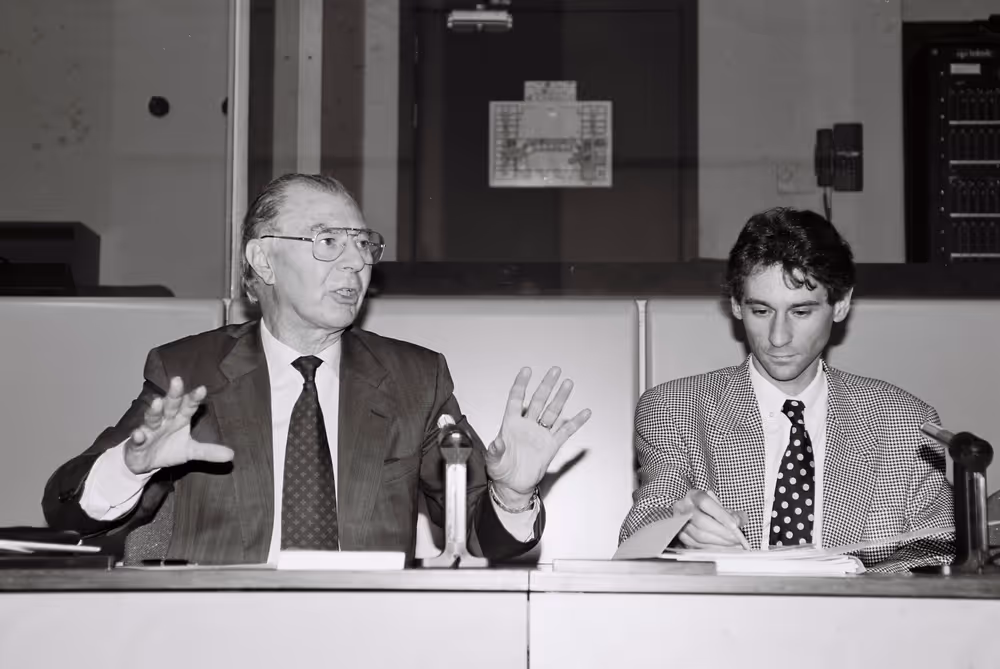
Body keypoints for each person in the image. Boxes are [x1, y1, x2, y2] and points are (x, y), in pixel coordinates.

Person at [43, 173, 591, 565]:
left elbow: (480, 538)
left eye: (363, 245)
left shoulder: (414, 379)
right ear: (263, 261)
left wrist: (512, 495)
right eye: (328, 242)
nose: (355, 262)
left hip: (364, 638)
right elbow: (67, 511)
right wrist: (132, 466)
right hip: (219, 638)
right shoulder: (191, 370)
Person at [619, 207, 954, 572]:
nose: (778, 338)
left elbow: (938, 556)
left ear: (840, 304)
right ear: (735, 304)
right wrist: (677, 526)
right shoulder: (675, 408)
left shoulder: (906, 422)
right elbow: (643, 526)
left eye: (801, 312)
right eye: (761, 312)